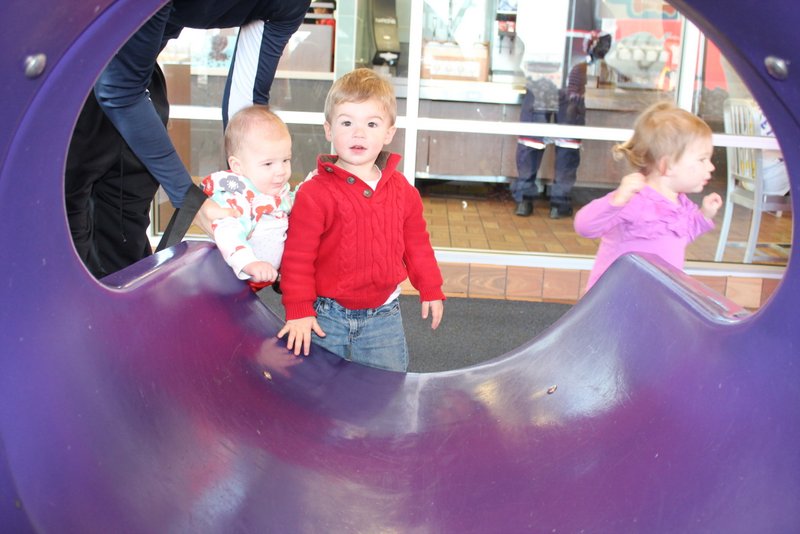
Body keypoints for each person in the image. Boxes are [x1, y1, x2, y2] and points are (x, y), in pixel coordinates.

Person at [66, 0, 311, 278]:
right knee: (67, 235)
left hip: (138, 77)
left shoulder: (289, 3)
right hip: (69, 77)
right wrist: (192, 200)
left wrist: (250, 203)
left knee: (125, 231)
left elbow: (245, 113)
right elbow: (119, 90)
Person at [277, 68, 445, 372]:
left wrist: (431, 287)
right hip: (325, 317)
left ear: (389, 133)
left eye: (371, 123)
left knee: (386, 395)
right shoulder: (315, 193)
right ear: (329, 130)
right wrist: (299, 310)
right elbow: (298, 257)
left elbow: (417, 245)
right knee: (316, 393)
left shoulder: (402, 190)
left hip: (384, 317)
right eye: (346, 122)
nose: (358, 133)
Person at [573, 101, 723, 291]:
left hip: (655, 298)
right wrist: (616, 201)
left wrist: (703, 215)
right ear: (666, 166)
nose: (711, 167)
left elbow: (681, 235)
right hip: (617, 301)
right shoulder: (635, 200)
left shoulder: (679, 204)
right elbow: (585, 227)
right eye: (702, 159)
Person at [512, 31, 613, 219]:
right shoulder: (583, 10)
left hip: (540, 76)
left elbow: (522, 40)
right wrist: (590, 57)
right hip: (571, 79)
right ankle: (559, 203)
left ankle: (524, 201)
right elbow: (604, 42)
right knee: (567, 142)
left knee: (531, 140)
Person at [201, 105, 293, 291]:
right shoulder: (237, 199)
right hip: (230, 279)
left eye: (285, 160)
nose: (281, 171)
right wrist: (248, 263)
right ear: (237, 166)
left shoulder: (272, 189)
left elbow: (289, 202)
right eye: (268, 164)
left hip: (260, 280)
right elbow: (227, 233)